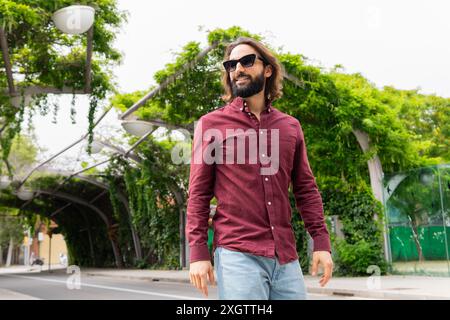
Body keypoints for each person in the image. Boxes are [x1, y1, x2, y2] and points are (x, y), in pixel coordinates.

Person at [186, 37, 333, 300]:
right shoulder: (211, 124)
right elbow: (198, 193)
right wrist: (198, 252)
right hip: (237, 255)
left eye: (246, 61)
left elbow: (306, 189)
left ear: (267, 70)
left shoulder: (290, 127)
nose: (238, 69)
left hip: (286, 257)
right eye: (231, 64)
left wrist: (321, 242)